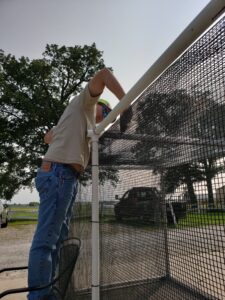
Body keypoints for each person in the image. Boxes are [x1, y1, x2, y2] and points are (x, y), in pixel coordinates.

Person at [27, 68, 125, 300]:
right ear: (98, 103)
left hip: (62, 176)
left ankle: (47, 293)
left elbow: (47, 137)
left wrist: (55, 135)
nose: (109, 116)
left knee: (56, 240)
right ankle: (40, 298)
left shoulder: (84, 124)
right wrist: (127, 104)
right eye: (109, 111)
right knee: (46, 242)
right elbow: (104, 74)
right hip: (59, 174)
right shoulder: (85, 104)